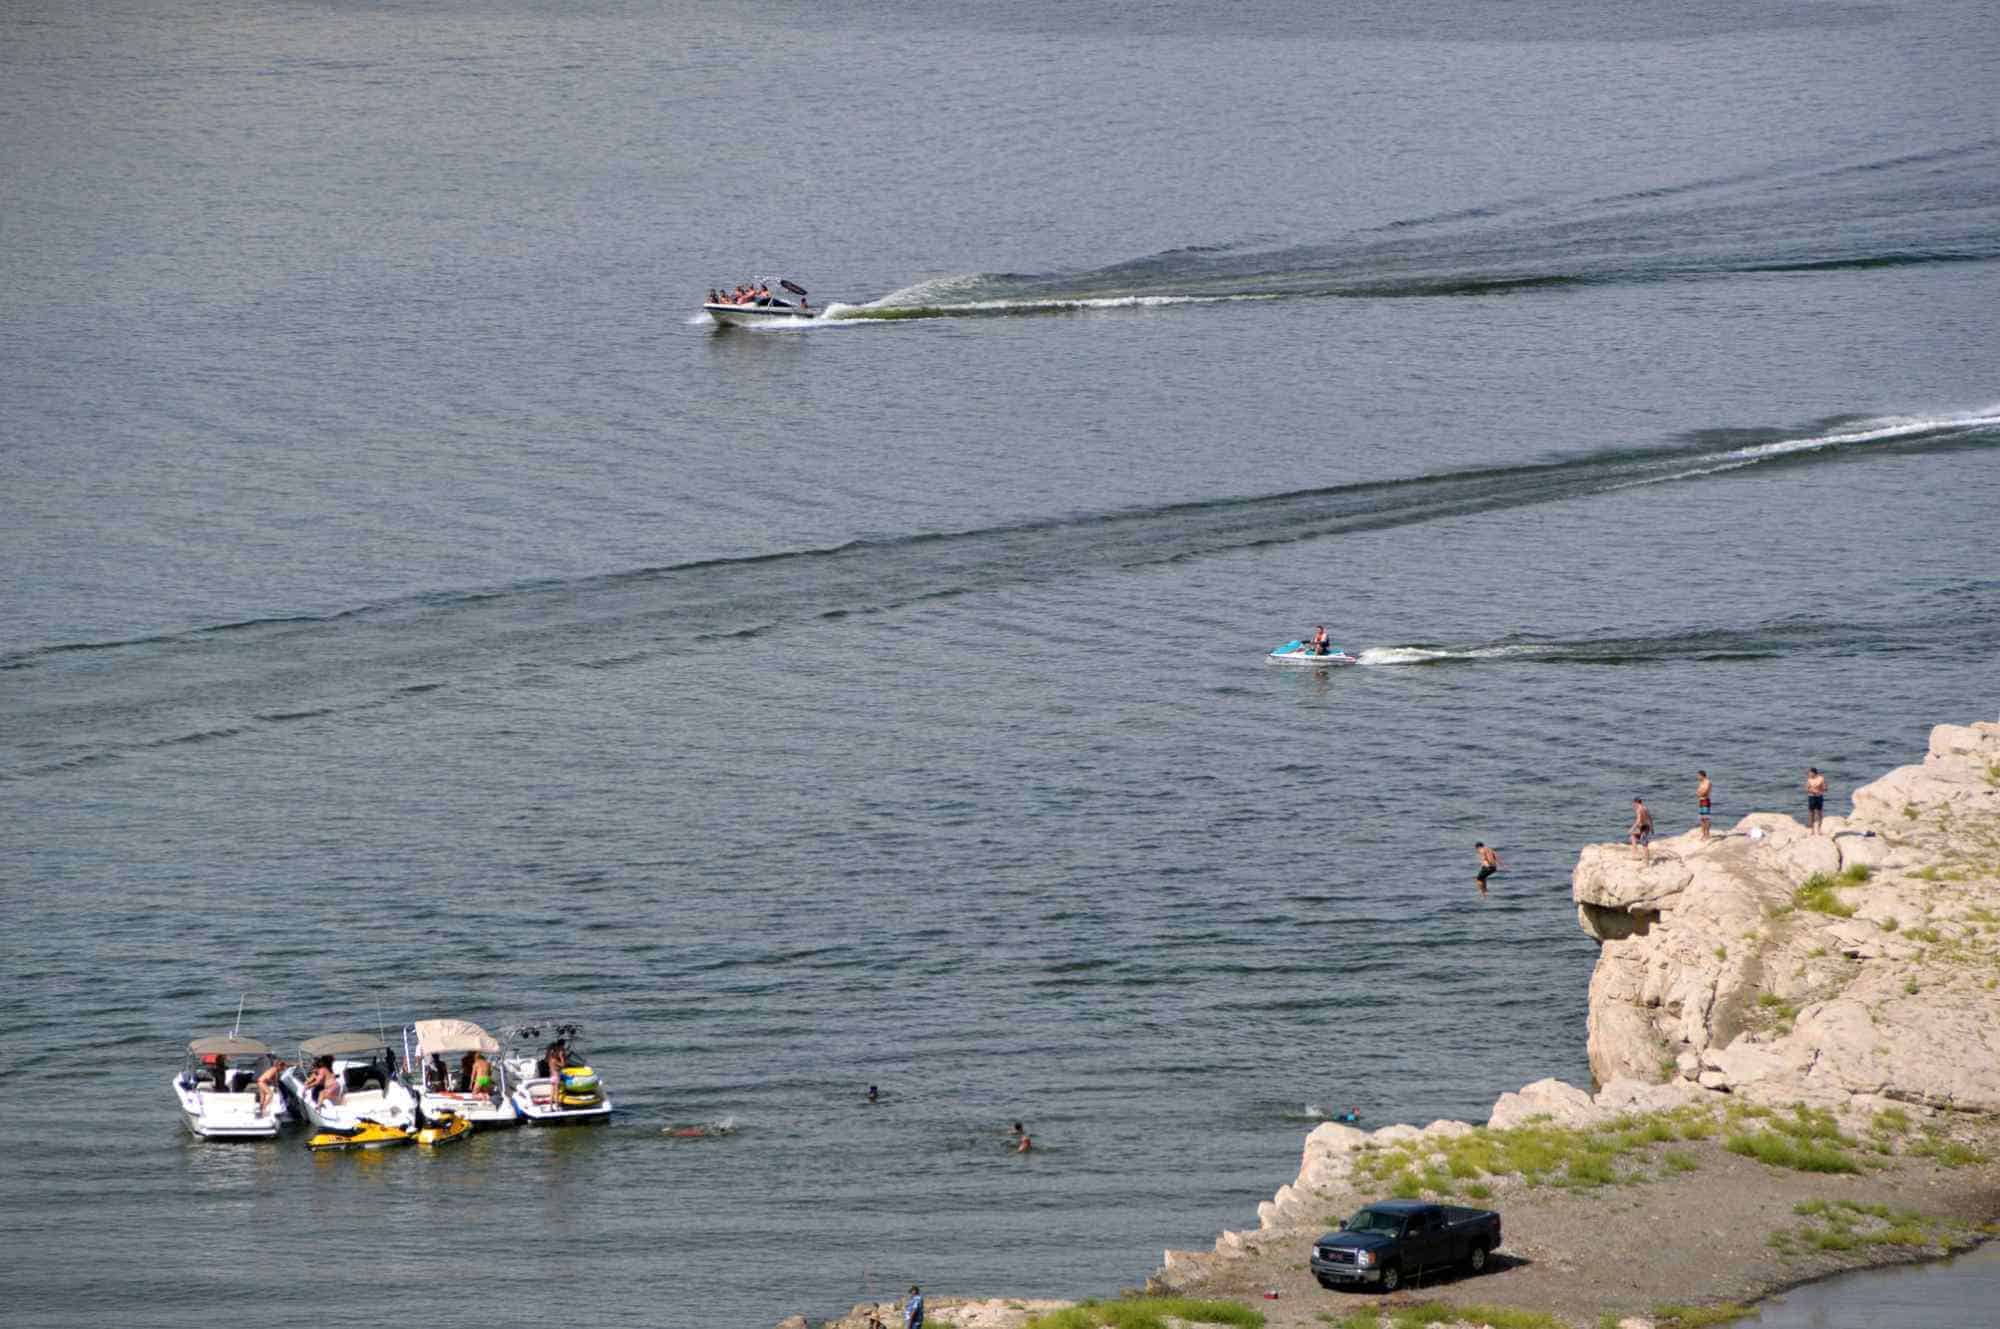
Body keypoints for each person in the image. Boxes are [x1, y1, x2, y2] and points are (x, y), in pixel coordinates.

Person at [1629, 797, 1654, 864]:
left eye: (1634, 804)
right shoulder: (1645, 808)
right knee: (1633, 836)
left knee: (1644, 844)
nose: (1633, 805)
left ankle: (1646, 862)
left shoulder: (1638, 810)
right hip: (1646, 827)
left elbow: (1638, 820)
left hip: (1644, 828)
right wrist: (1652, 828)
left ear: (1636, 802)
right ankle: (1635, 854)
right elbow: (1650, 818)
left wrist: (1632, 828)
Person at [1806, 767, 1827, 834]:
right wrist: (1812, 791)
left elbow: (1825, 788)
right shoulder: (1809, 779)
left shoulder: (1821, 778)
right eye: (1809, 773)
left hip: (1819, 797)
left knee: (1819, 813)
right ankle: (1812, 829)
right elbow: (1806, 789)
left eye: (1810, 773)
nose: (1809, 774)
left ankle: (1819, 829)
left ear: (1814, 773)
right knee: (1811, 813)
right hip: (1811, 797)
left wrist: (1822, 789)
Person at [1697, 770, 1713, 841]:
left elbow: (1704, 792)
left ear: (1702, 775)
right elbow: (1697, 792)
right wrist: (1700, 792)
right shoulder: (1701, 783)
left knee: (1706, 818)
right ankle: (1703, 834)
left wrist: (1700, 792)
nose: (1697, 777)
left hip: (1706, 801)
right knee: (1702, 818)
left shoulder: (1708, 782)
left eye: (1698, 776)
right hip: (1701, 801)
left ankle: (1707, 834)